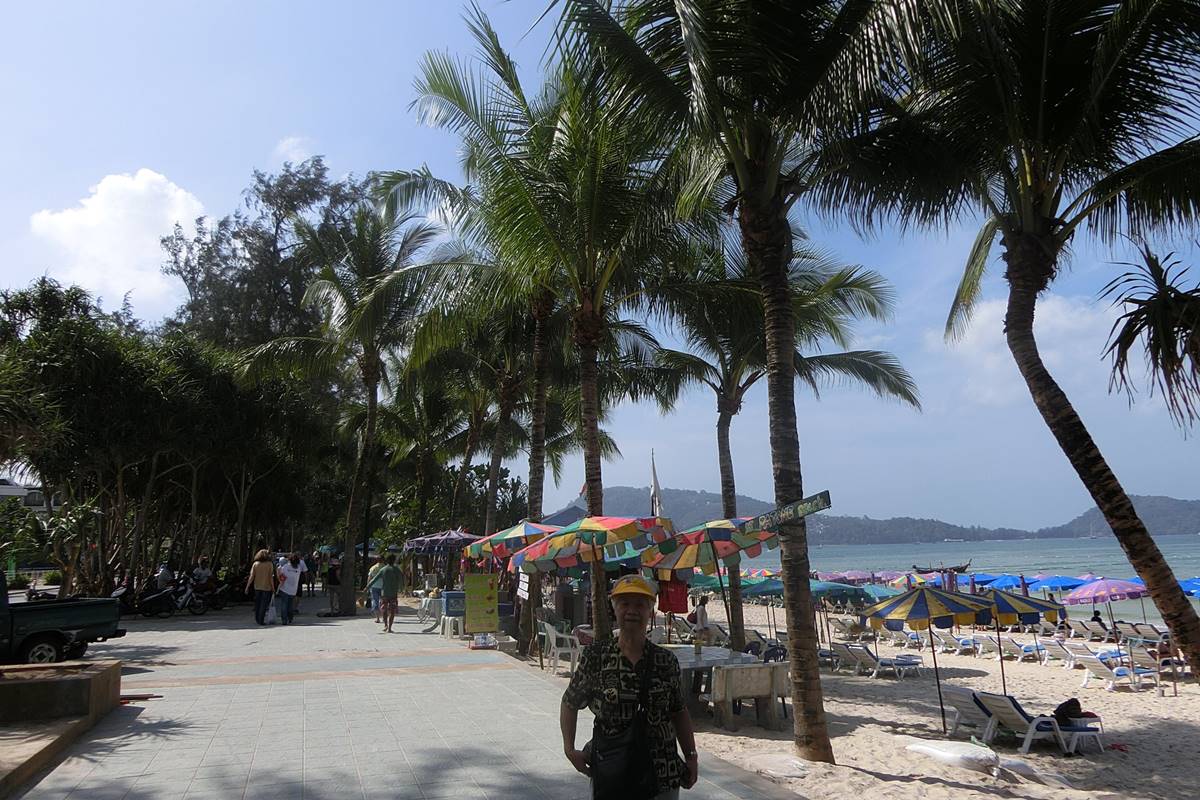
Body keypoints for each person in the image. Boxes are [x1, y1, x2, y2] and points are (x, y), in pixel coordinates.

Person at [560, 575, 698, 800]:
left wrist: (691, 756)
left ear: (650, 611)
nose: (632, 611)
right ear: (615, 609)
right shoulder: (596, 657)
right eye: (625, 604)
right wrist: (569, 748)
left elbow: (678, 711)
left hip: (661, 771)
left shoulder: (666, 661)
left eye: (640, 604)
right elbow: (570, 702)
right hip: (612, 768)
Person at [245, 550, 277, 625]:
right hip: (267, 587)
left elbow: (252, 576)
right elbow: (270, 577)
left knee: (257, 603)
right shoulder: (269, 564)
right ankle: (261, 619)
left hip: (257, 587)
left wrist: (247, 586)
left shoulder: (255, 564)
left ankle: (257, 618)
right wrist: (273, 588)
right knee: (264, 604)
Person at [377, 554, 404, 633]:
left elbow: (374, 579)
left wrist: (367, 588)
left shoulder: (383, 569)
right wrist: (401, 589)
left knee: (384, 610)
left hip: (384, 593)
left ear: (387, 560)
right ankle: (389, 628)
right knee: (392, 611)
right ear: (394, 560)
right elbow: (401, 580)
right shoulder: (397, 569)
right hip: (393, 593)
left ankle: (386, 625)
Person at [275, 553, 304, 625]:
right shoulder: (298, 568)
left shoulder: (285, 567)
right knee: (290, 605)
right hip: (293, 590)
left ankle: (284, 620)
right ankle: (290, 617)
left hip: (284, 588)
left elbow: (279, 571)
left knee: (284, 604)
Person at [366, 557, 385, 623]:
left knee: (375, 601)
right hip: (383, 587)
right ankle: (384, 617)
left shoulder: (373, 568)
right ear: (383, 560)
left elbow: (369, 578)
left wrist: (368, 586)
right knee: (383, 602)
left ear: (376, 560)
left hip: (374, 586)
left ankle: (377, 618)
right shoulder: (385, 567)